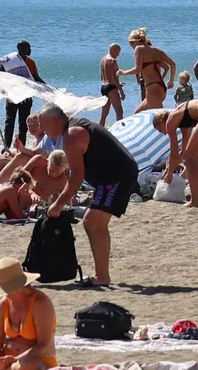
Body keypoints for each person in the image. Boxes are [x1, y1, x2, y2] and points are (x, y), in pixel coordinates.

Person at [34, 104, 141, 285]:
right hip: (113, 175)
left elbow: (77, 176)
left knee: (93, 222)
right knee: (94, 222)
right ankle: (102, 275)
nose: (42, 130)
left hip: (117, 175)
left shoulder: (72, 136)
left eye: (43, 125)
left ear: (53, 121)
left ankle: (102, 277)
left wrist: (58, 204)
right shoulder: (71, 130)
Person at [0, 42, 43, 150]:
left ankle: (21, 148)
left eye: (30, 47)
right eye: (28, 48)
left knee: (23, 124)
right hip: (13, 96)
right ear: (20, 49)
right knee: (9, 122)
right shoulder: (10, 60)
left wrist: (47, 87)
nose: (30, 50)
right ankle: (6, 147)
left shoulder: (31, 62)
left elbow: (35, 77)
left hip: (26, 97)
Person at [128, 27, 176, 112]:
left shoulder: (138, 49)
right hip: (161, 87)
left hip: (151, 88)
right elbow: (172, 64)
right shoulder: (156, 50)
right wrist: (171, 80)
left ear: (135, 41)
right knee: (137, 113)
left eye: (131, 43)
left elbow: (137, 70)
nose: (131, 46)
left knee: (161, 118)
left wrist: (122, 72)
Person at [98, 43, 128, 124]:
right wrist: (121, 91)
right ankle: (121, 131)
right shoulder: (112, 61)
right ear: (113, 50)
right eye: (118, 52)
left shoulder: (103, 59)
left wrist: (118, 83)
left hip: (104, 87)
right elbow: (111, 78)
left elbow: (103, 77)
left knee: (104, 114)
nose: (118, 54)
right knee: (119, 111)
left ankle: (99, 132)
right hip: (111, 88)